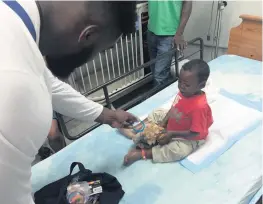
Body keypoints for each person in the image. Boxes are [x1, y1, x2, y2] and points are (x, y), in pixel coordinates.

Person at [0, 1, 137, 204]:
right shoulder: (19, 91)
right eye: (99, 52)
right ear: (88, 35)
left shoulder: (13, 19)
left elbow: (48, 81)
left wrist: (107, 115)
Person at [118, 59, 213, 165]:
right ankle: (137, 128)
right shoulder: (185, 92)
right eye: (179, 81)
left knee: (178, 151)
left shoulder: (199, 107)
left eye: (186, 84)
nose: (181, 86)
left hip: (189, 136)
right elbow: (173, 109)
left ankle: (143, 153)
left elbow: (195, 133)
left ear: (201, 85)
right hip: (177, 121)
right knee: (158, 112)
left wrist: (171, 134)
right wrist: (162, 124)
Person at [147, 0, 192, 86]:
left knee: (159, 75)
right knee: (155, 71)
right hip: (151, 30)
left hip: (169, 34)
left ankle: (159, 97)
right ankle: (167, 93)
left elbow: (188, 2)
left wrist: (179, 33)